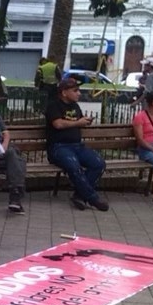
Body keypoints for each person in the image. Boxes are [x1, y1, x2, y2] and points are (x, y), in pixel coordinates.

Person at [45, 77, 109, 212]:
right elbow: (58, 124)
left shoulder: (75, 106)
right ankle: (92, 198)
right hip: (59, 147)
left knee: (98, 164)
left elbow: (77, 121)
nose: (79, 93)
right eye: (75, 91)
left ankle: (79, 195)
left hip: (77, 146)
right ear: (64, 92)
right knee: (74, 167)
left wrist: (85, 121)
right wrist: (78, 123)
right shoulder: (53, 106)